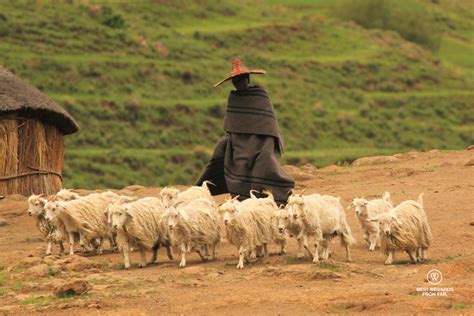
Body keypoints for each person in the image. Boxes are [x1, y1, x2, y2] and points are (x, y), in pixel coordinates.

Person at [196, 58, 294, 205]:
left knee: (266, 161)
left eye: (241, 79)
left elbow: (269, 125)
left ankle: (277, 195)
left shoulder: (260, 96)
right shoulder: (234, 99)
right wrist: (232, 141)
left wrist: (263, 145)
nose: (238, 82)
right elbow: (232, 127)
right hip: (239, 144)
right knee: (222, 149)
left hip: (261, 143)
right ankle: (235, 195)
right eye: (235, 80)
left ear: (247, 79)